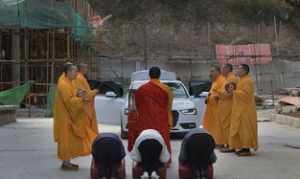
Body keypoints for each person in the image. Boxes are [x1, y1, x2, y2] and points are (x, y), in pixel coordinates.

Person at [53, 63, 97, 170]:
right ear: (67, 72)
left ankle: (67, 162)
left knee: (69, 139)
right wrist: (82, 98)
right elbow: (70, 102)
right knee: (65, 139)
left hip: (67, 115)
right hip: (65, 116)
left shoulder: (69, 82)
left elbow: (72, 96)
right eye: (74, 71)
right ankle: (65, 163)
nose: (76, 74)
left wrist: (78, 94)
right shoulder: (63, 84)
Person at [127, 67, 173, 154]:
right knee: (162, 140)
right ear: (160, 75)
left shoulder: (141, 89)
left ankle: (144, 157)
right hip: (161, 122)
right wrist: (169, 120)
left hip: (145, 122)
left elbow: (137, 107)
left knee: (145, 140)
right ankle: (163, 160)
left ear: (149, 75)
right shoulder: (166, 89)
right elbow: (169, 107)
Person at [227, 64, 258, 156]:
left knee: (245, 130)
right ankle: (242, 147)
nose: (237, 70)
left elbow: (246, 95)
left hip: (246, 110)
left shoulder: (248, 81)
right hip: (240, 109)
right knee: (239, 129)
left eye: (239, 69)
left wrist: (234, 92)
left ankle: (246, 148)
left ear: (244, 71)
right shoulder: (241, 80)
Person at [73, 62, 99, 135]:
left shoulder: (81, 78)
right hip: (84, 108)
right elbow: (84, 94)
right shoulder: (79, 78)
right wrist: (94, 92)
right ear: (81, 69)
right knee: (87, 130)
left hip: (86, 107)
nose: (87, 69)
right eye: (86, 68)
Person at [203, 65, 225, 147]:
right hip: (211, 108)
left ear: (218, 72)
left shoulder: (222, 80)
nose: (210, 73)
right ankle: (214, 141)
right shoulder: (214, 81)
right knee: (211, 126)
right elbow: (212, 92)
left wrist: (215, 97)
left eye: (212, 71)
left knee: (218, 126)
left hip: (218, 108)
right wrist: (208, 97)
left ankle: (220, 142)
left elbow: (223, 92)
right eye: (210, 71)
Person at [218, 64, 238, 152]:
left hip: (229, 105)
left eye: (222, 68)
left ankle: (231, 145)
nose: (221, 70)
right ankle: (227, 144)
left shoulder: (232, 79)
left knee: (228, 125)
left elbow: (230, 92)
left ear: (227, 69)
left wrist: (220, 93)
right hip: (224, 105)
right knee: (225, 125)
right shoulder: (226, 79)